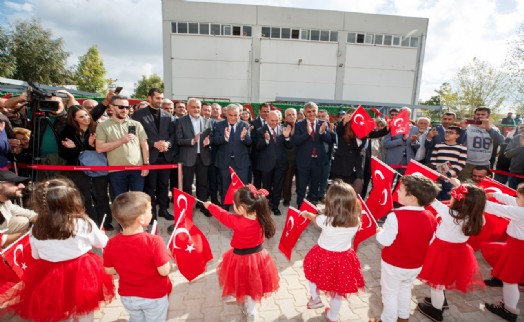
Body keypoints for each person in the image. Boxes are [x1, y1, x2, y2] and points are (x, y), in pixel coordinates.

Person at [10, 178, 115, 321]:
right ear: (72, 200)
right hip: (81, 271)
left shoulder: (36, 227)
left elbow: (36, 255)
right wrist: (100, 235)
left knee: (59, 306)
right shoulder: (83, 223)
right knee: (83, 307)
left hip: (50, 274)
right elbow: (103, 243)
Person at [203, 185, 280, 322]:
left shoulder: (237, 222)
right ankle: (251, 311)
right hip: (258, 257)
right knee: (252, 284)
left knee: (241, 280)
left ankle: (247, 307)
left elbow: (222, 215)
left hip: (240, 258)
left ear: (243, 208)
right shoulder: (262, 217)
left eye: (235, 204)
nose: (233, 205)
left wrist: (210, 206)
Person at [417, 180, 486, 321]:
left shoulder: (449, 214)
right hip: (459, 252)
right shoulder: (478, 217)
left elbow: (433, 201)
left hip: (442, 251)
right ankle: (440, 301)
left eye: (454, 196)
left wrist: (422, 185)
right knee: (441, 278)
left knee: (436, 283)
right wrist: (458, 184)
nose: (451, 197)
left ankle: (436, 311)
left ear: (460, 201)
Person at [373, 175, 438, 322]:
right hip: (415, 265)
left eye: (401, 190)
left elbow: (385, 241)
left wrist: (379, 232)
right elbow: (431, 240)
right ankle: (403, 317)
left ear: (412, 197)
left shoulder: (396, 216)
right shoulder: (431, 216)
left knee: (389, 293)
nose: (397, 192)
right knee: (405, 288)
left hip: (393, 264)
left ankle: (388, 319)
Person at [300, 180, 365, 322]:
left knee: (312, 274)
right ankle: (333, 317)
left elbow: (314, 218)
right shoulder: (356, 220)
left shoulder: (325, 219)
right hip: (344, 258)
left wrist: (307, 213)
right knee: (337, 291)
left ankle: (315, 298)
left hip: (323, 255)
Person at [103, 191, 172, 322]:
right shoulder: (154, 241)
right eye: (150, 210)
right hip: (153, 296)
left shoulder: (111, 243)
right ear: (140, 219)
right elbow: (164, 271)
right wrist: (168, 262)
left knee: (136, 319)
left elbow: (109, 270)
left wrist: (127, 267)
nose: (152, 213)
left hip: (128, 297)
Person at [59, 105, 113, 230]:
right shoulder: (66, 132)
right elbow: (64, 154)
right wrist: (84, 146)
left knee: (102, 195)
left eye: (87, 115)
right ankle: (93, 223)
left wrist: (81, 147)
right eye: (81, 116)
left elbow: (102, 149)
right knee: (85, 197)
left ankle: (105, 221)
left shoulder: (97, 128)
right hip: (77, 168)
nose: (86, 118)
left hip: (98, 167)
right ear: (74, 119)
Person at [132, 88, 177, 222]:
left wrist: (167, 144)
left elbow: (172, 135)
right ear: (149, 98)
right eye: (157, 98)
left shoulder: (167, 115)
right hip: (149, 157)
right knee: (150, 186)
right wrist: (153, 144)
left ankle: (163, 210)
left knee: (164, 185)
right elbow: (134, 136)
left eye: (161, 98)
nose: (160, 101)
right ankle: (150, 214)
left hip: (165, 157)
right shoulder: (138, 115)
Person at [481, 184, 524, 322]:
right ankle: (507, 304)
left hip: (518, 248)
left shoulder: (520, 212)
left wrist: (475, 199)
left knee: (510, 281)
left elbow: (497, 209)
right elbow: (511, 201)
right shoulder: (521, 206)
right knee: (509, 279)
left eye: (519, 196)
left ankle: (509, 310)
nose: (516, 198)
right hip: (516, 246)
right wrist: (493, 195)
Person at [96, 95, 149, 198]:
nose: (125, 110)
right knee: (120, 201)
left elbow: (144, 145)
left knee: (137, 200)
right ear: (111, 107)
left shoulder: (136, 124)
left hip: (137, 169)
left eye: (127, 107)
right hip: (116, 171)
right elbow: (100, 148)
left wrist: (146, 164)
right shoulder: (103, 126)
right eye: (121, 107)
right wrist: (121, 141)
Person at [176, 98, 213, 217]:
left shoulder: (207, 121)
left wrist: (209, 140)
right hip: (188, 158)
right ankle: (187, 206)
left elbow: (212, 136)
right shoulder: (181, 121)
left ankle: (202, 205)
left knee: (202, 183)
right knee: (187, 184)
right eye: (193, 107)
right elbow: (178, 140)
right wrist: (193, 140)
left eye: (198, 107)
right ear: (187, 107)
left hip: (204, 157)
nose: (196, 109)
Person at [212, 104, 252, 207]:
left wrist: (243, 138)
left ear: (239, 115)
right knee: (224, 187)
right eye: (231, 115)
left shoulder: (245, 125)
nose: (233, 117)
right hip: (224, 162)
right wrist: (224, 138)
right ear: (226, 114)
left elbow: (249, 142)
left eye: (236, 115)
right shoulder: (219, 125)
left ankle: (241, 208)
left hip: (241, 162)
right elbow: (215, 141)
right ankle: (225, 209)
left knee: (242, 189)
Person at [293, 102, 332, 207]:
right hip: (303, 160)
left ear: (317, 111)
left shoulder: (323, 123)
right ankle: (300, 205)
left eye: (314, 111)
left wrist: (323, 132)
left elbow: (329, 140)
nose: (311, 113)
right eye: (309, 111)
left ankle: (312, 204)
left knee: (315, 184)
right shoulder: (299, 124)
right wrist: (308, 133)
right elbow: (296, 141)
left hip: (318, 160)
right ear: (305, 113)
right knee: (301, 185)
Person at [255, 110, 292, 216]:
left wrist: (287, 137)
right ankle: (265, 207)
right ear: (267, 119)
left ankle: (275, 206)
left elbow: (289, 146)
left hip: (280, 164)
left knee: (278, 187)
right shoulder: (260, 130)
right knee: (265, 187)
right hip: (266, 164)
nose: (274, 123)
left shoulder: (284, 129)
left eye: (277, 120)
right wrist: (266, 140)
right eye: (272, 120)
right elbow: (258, 147)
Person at [457, 107, 504, 181]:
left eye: (483, 114)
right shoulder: (468, 127)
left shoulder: (494, 129)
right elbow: (459, 142)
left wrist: (488, 128)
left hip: (484, 163)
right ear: (474, 115)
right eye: (477, 114)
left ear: (488, 116)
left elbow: (501, 141)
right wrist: (462, 129)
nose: (480, 116)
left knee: (482, 188)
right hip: (468, 163)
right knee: (464, 185)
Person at [429, 126, 467, 200]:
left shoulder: (462, 148)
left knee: (447, 199)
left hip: (451, 179)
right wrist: (438, 173)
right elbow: (433, 161)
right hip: (437, 178)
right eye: (446, 132)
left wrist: (448, 174)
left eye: (451, 133)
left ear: (457, 135)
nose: (447, 134)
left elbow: (461, 164)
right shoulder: (438, 146)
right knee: (434, 198)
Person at [0, 171, 37, 248]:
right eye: (15, 183)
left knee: (23, 221)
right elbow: (1, 240)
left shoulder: (5, 201)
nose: (22, 186)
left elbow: (26, 213)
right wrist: (26, 233)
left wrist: (46, 221)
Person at [250, 103, 270, 187]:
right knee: (257, 179)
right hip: (257, 156)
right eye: (264, 111)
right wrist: (264, 141)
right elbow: (253, 139)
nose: (266, 113)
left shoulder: (273, 122)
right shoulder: (253, 123)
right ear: (259, 111)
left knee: (268, 180)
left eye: (267, 111)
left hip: (269, 156)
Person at [282, 108, 297, 207]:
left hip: (302, 158)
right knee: (287, 180)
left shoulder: (302, 126)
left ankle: (301, 199)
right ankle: (286, 198)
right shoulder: (282, 127)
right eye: (289, 115)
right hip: (289, 158)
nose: (291, 116)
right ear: (285, 117)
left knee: (302, 181)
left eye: (293, 114)